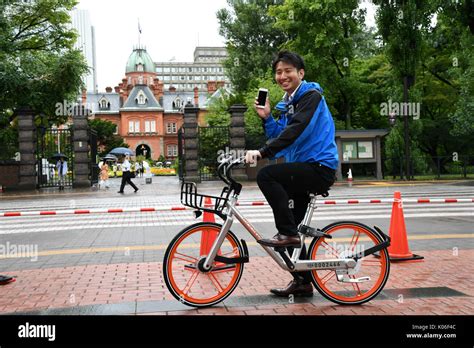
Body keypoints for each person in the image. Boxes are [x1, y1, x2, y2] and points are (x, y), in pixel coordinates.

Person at [245, 51, 338, 298]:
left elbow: (295, 131)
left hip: (319, 167)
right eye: (278, 72)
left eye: (288, 71)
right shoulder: (288, 103)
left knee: (267, 176)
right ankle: (303, 281)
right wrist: (267, 118)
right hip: (303, 168)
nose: (282, 76)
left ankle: (288, 234)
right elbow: (281, 136)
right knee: (286, 235)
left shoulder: (311, 97)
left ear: (301, 73)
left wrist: (262, 153)